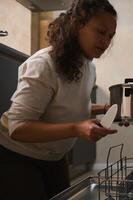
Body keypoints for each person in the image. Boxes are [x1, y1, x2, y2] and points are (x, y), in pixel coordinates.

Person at [0, 0, 118, 199]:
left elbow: (70, 107)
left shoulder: (89, 67)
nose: (106, 41)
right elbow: (18, 128)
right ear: (77, 25)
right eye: (100, 31)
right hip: (15, 155)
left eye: (110, 36)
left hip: (54, 156)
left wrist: (105, 108)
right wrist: (76, 128)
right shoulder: (44, 64)